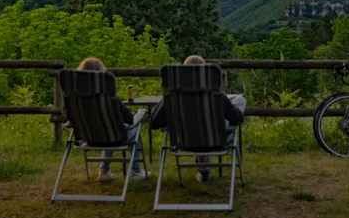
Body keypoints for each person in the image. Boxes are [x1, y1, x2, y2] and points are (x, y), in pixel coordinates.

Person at [149, 54, 246, 183]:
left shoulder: (171, 97)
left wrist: (173, 123)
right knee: (240, 100)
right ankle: (205, 168)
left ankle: (204, 170)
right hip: (215, 140)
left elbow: (155, 122)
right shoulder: (216, 95)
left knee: (196, 129)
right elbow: (237, 119)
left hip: (183, 140)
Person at [77, 57, 147, 182]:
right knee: (132, 129)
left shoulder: (76, 98)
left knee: (107, 130)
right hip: (113, 137)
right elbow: (129, 119)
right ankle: (136, 171)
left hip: (87, 138)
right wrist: (139, 114)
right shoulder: (109, 97)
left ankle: (104, 171)